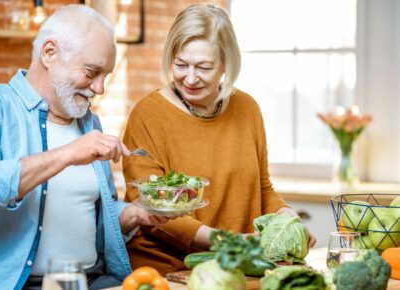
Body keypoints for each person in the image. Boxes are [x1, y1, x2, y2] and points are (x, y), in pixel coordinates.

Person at [122, 3, 316, 275]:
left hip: (237, 267)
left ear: (226, 63)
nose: (190, 78)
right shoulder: (148, 114)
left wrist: (287, 219)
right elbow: (151, 210)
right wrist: (226, 241)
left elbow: (262, 188)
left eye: (203, 66)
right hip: (167, 271)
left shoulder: (248, 109)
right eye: (180, 64)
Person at [0, 5, 169, 290]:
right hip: (21, 284)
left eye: (106, 76)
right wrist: (68, 154)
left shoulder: (89, 123)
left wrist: (134, 214)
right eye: (91, 72)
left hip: (94, 280)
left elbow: (94, 215)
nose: (99, 88)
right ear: (50, 53)